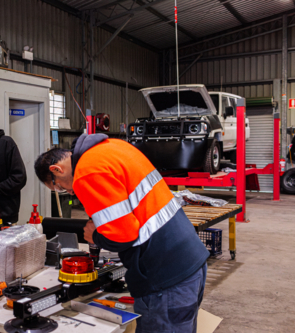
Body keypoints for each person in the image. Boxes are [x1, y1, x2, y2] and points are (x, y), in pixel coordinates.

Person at [34, 133, 209, 333]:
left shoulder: (86, 172)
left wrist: (95, 236)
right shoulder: (112, 147)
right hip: (190, 260)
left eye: (59, 187)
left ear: (57, 169)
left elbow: (124, 234)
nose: (69, 191)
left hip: (164, 276)